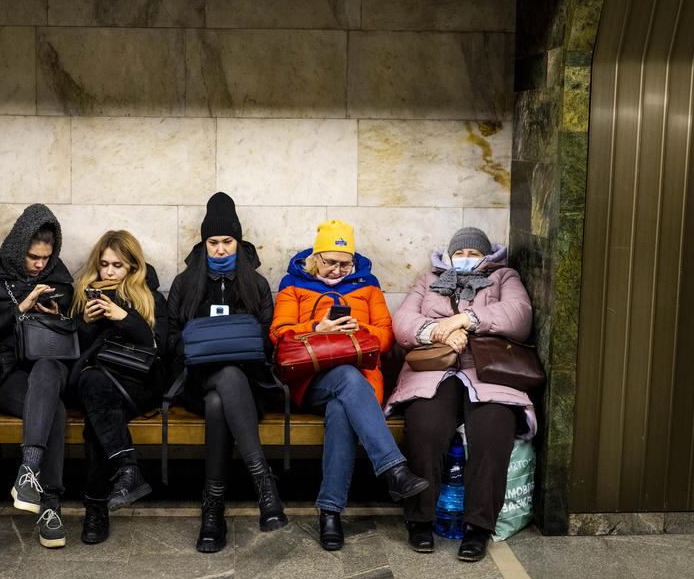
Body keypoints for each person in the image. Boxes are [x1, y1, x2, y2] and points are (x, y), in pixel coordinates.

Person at [271, 219, 429, 551]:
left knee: (342, 405)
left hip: (360, 380)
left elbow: (387, 336)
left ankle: (330, 514)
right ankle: (393, 469)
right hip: (309, 381)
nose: (337, 269)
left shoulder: (367, 285)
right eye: (330, 262)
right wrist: (319, 327)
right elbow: (278, 333)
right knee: (345, 379)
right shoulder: (293, 283)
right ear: (315, 258)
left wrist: (360, 333)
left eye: (345, 263)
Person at [385, 227, 536, 562]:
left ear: (486, 256)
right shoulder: (428, 280)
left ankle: (478, 529)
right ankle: (420, 520)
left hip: (489, 372)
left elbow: (519, 313)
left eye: (473, 254)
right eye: (460, 254)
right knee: (425, 425)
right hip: (435, 368)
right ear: (449, 256)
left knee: (494, 428)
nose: (466, 259)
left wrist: (466, 320)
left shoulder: (503, 276)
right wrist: (434, 332)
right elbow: (404, 320)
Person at [166, 192, 286, 554]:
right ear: (204, 244)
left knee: (225, 392)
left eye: (227, 241)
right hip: (196, 381)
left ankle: (213, 510)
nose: (220, 249)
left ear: (239, 241)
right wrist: (199, 347)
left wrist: (236, 347)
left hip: (248, 385)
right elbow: (169, 335)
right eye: (213, 242)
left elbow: (269, 339)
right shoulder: (185, 283)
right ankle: (263, 483)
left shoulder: (257, 284)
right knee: (219, 386)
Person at [0, 204, 75, 548]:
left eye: (46, 257)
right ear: (17, 249)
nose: (40, 265)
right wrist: (20, 309)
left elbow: (74, 337)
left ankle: (29, 473)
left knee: (47, 375)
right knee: (54, 409)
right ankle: (51, 503)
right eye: (33, 257)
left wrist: (59, 315)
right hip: (2, 374)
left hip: (47, 368)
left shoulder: (60, 281)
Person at [70, 230, 168, 544]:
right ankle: (125, 470)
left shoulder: (150, 296)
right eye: (104, 264)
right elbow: (76, 352)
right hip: (100, 383)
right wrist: (85, 322)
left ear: (133, 267)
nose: (110, 272)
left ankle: (95, 508)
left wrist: (123, 315)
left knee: (97, 410)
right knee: (96, 394)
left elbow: (160, 345)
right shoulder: (85, 294)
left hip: (139, 384)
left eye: (118, 265)